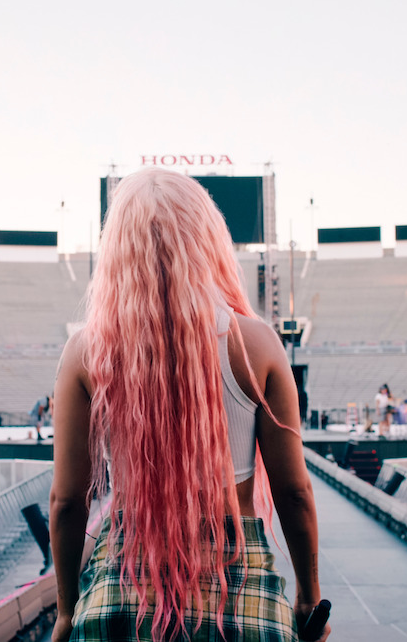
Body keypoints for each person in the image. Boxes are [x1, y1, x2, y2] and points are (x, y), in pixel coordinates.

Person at [50, 169, 328, 642]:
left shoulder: (86, 350)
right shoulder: (256, 344)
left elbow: (67, 501)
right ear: (207, 239)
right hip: (242, 597)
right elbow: (295, 493)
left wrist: (64, 611)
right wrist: (307, 597)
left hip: (121, 594)